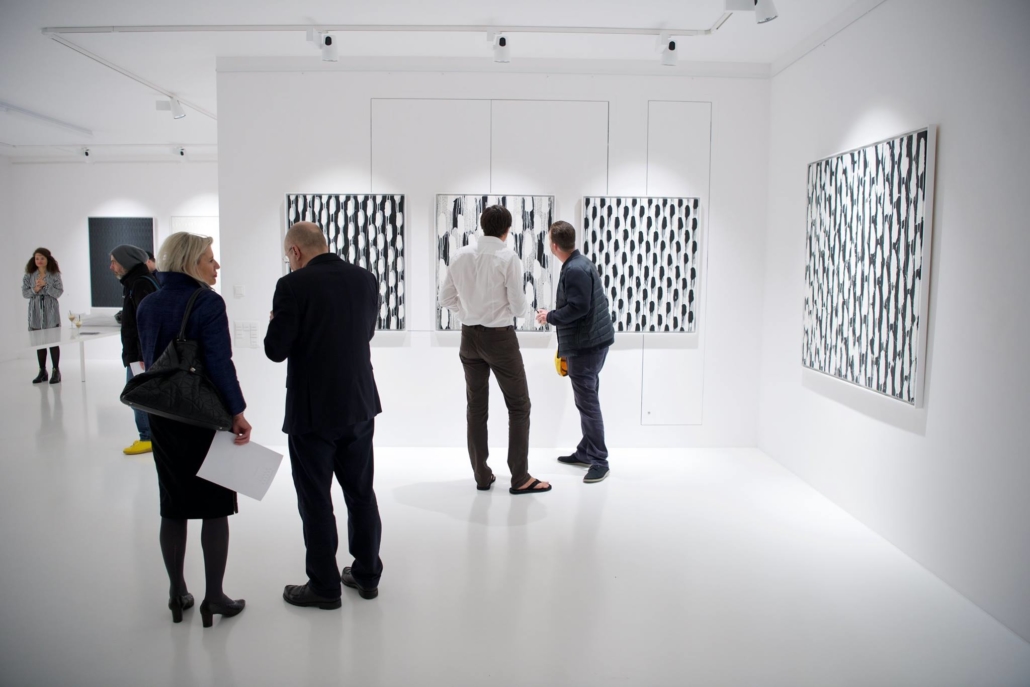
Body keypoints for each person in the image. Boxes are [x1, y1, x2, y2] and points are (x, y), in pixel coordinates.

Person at [265, 222, 384, 609]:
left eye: (288, 256)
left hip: (312, 410)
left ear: (295, 251)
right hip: (358, 403)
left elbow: (275, 350)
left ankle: (324, 586)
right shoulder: (365, 279)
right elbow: (365, 333)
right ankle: (367, 575)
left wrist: (276, 321)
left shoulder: (292, 286)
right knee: (361, 493)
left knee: (315, 499)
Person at [136, 232, 252, 627]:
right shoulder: (207, 302)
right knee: (214, 506)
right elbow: (220, 362)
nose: (216, 265)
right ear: (190, 262)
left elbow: (147, 358)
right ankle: (214, 597)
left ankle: (176, 593)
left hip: (163, 415)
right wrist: (236, 411)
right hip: (204, 415)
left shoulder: (148, 303)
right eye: (209, 259)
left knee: (173, 505)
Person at [439, 205, 551, 495]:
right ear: (507, 230)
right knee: (519, 406)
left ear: (482, 225)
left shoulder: (461, 255)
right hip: (500, 339)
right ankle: (520, 477)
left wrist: (468, 312)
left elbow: (445, 298)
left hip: (468, 337)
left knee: (476, 408)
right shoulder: (507, 257)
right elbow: (518, 307)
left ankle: (481, 475)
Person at [536, 221, 615, 484]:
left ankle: (599, 460)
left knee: (588, 405)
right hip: (593, 343)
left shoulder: (575, 269)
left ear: (554, 245)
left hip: (586, 348)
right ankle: (586, 451)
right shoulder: (580, 263)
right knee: (588, 401)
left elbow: (578, 308)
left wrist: (550, 316)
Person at [110, 244, 159, 455]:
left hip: (140, 355)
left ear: (126, 262)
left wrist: (142, 355)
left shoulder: (140, 284)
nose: (111, 267)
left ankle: (147, 438)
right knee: (138, 394)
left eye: (114, 262)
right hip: (139, 353)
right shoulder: (136, 282)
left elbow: (148, 322)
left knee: (137, 395)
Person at [22, 248, 64, 384]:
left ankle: (56, 371)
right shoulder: (29, 275)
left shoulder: (54, 274)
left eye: (42, 258)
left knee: (53, 341)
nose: (39, 261)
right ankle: (42, 371)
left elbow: (58, 292)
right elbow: (25, 293)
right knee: (39, 342)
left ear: (47, 259)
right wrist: (35, 289)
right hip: (35, 311)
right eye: (37, 258)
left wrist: (45, 286)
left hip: (50, 309)